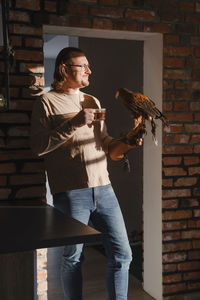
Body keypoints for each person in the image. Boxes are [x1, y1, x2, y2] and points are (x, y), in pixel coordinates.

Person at [30, 47, 143, 300]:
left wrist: (128, 141)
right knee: (72, 258)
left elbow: (106, 145)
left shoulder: (93, 101)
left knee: (123, 254)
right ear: (64, 68)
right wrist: (74, 123)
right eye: (83, 66)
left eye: (88, 65)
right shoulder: (46, 102)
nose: (89, 70)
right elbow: (38, 147)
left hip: (104, 189)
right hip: (70, 194)